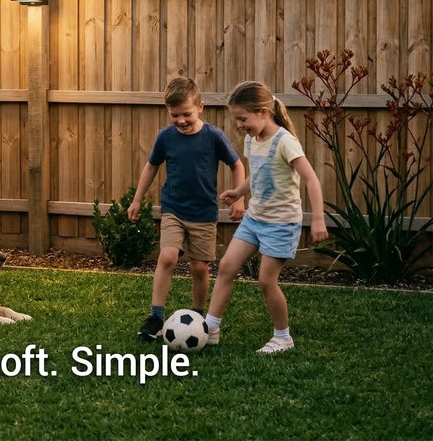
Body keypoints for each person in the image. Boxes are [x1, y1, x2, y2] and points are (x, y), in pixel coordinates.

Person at [205, 81, 328, 353]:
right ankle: (210, 327)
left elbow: (311, 179)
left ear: (263, 112)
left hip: (281, 224)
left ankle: (283, 337)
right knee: (226, 267)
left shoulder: (285, 141)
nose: (240, 125)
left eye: (243, 119)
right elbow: (258, 175)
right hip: (254, 218)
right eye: (237, 119)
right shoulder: (252, 140)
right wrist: (239, 191)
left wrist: (318, 218)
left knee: (265, 281)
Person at [128, 76, 246, 341]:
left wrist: (239, 198)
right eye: (174, 115)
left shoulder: (213, 136)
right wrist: (137, 199)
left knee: (199, 268)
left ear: (200, 107)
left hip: (204, 214)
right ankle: (156, 316)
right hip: (173, 209)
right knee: (167, 257)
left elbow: (237, 165)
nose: (181, 120)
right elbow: (151, 167)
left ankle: (198, 317)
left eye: (186, 114)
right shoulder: (166, 137)